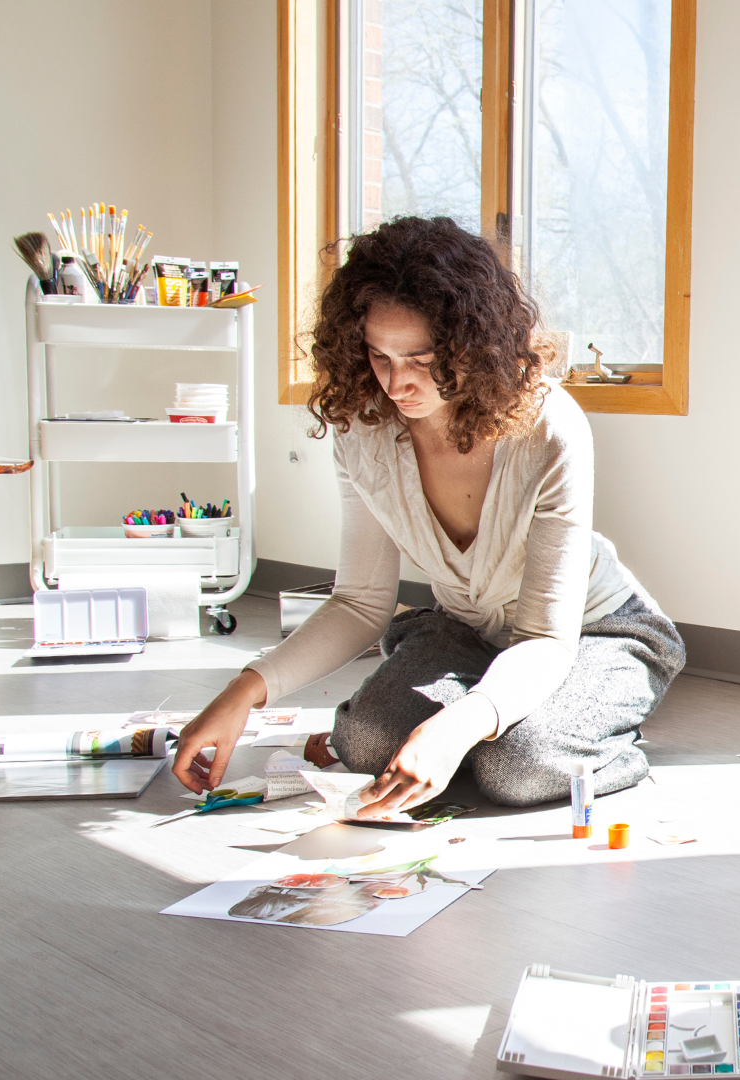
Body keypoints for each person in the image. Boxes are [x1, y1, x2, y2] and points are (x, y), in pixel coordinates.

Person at [172, 216, 685, 816]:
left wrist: (459, 726)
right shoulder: (362, 430)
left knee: (517, 768)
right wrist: (243, 691)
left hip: (589, 630)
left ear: (475, 345)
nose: (398, 383)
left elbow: (545, 638)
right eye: (380, 356)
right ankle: (491, 713)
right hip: (469, 630)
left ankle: (597, 732)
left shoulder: (549, 427)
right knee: (362, 742)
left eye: (421, 358)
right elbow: (360, 602)